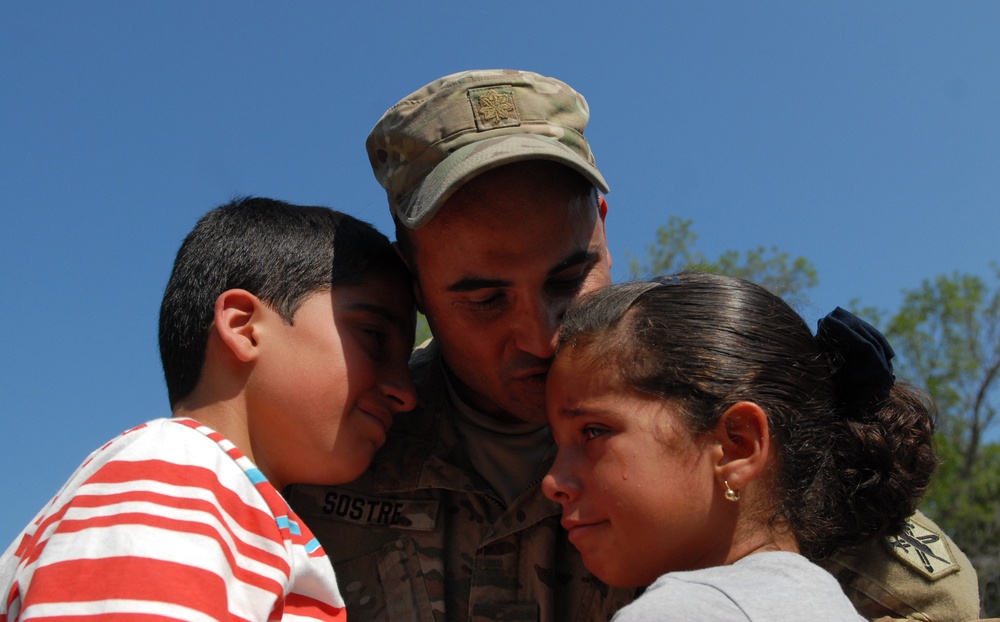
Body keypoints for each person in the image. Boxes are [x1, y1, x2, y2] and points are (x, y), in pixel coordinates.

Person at [284, 69, 981, 621]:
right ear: (415, 282)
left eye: (570, 275)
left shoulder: (697, 390)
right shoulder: (338, 447)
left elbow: (930, 600)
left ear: (603, 226)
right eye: (485, 299)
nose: (542, 332)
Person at [0, 197, 418, 621]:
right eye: (374, 336)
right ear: (243, 327)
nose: (406, 392)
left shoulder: (221, 498)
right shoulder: (172, 471)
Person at [542, 272, 942, 620]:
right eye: (557, 445)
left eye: (593, 432)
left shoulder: (684, 613)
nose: (552, 481)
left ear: (738, 445)